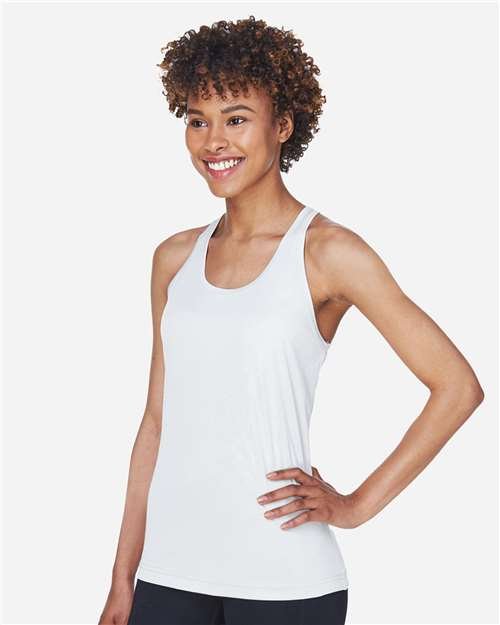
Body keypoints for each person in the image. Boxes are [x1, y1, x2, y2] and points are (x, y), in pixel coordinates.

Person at [98, 15, 484, 625]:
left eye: (236, 119)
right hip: (169, 576)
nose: (213, 141)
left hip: (284, 581)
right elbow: (155, 423)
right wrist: (123, 580)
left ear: (282, 124)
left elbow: (457, 387)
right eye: (198, 121)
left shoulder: (328, 252)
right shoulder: (173, 259)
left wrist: (354, 506)